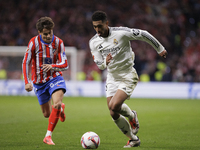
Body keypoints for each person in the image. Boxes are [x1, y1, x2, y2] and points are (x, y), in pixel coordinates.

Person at [89, 11, 167, 148]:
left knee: (114, 106)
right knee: (113, 112)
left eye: (100, 26)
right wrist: (105, 62)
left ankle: (131, 116)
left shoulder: (121, 33)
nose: (97, 30)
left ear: (107, 23)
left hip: (127, 75)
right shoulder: (94, 42)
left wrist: (159, 48)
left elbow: (144, 34)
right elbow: (100, 65)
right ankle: (133, 139)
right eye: (94, 27)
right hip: (112, 77)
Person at [22, 16, 69, 145]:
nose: (49, 36)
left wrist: (53, 66)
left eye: (50, 33)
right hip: (39, 82)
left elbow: (65, 64)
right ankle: (60, 108)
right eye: (45, 34)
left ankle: (48, 136)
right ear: (39, 32)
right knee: (46, 114)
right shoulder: (33, 43)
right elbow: (25, 62)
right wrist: (26, 82)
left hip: (55, 77)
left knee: (56, 104)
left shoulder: (58, 42)